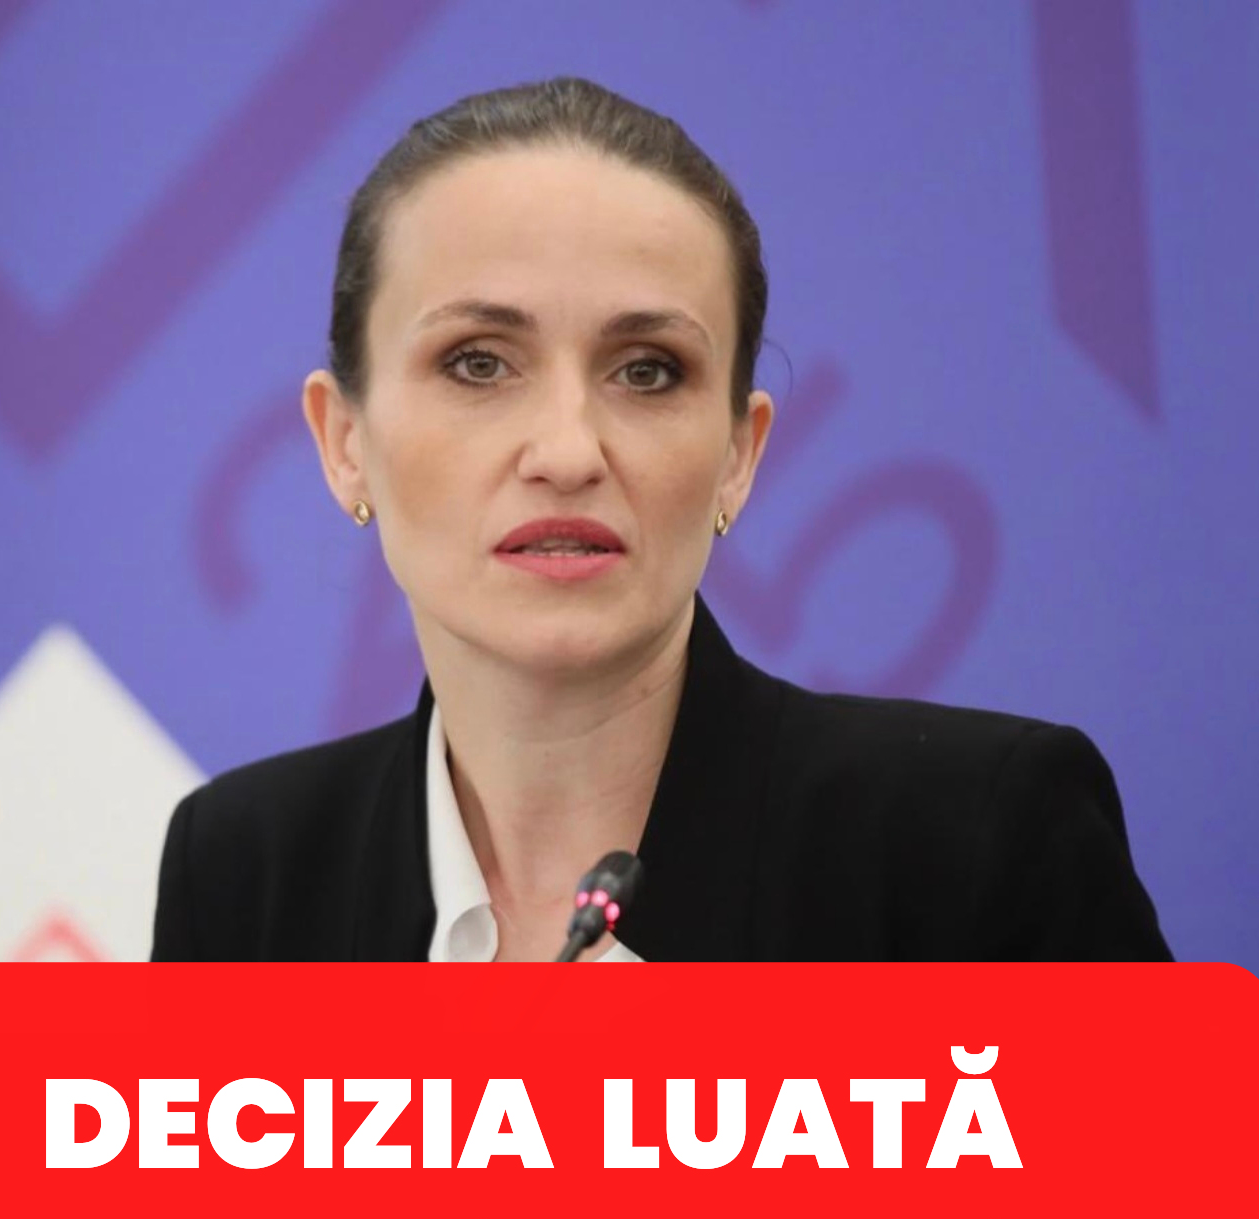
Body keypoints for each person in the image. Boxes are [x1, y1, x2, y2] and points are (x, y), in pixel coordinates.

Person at [151, 77, 1171, 966]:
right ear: (343, 441)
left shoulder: (976, 848)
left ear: (738, 455)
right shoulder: (244, 871)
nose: (567, 452)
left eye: (647, 372)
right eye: (478, 363)